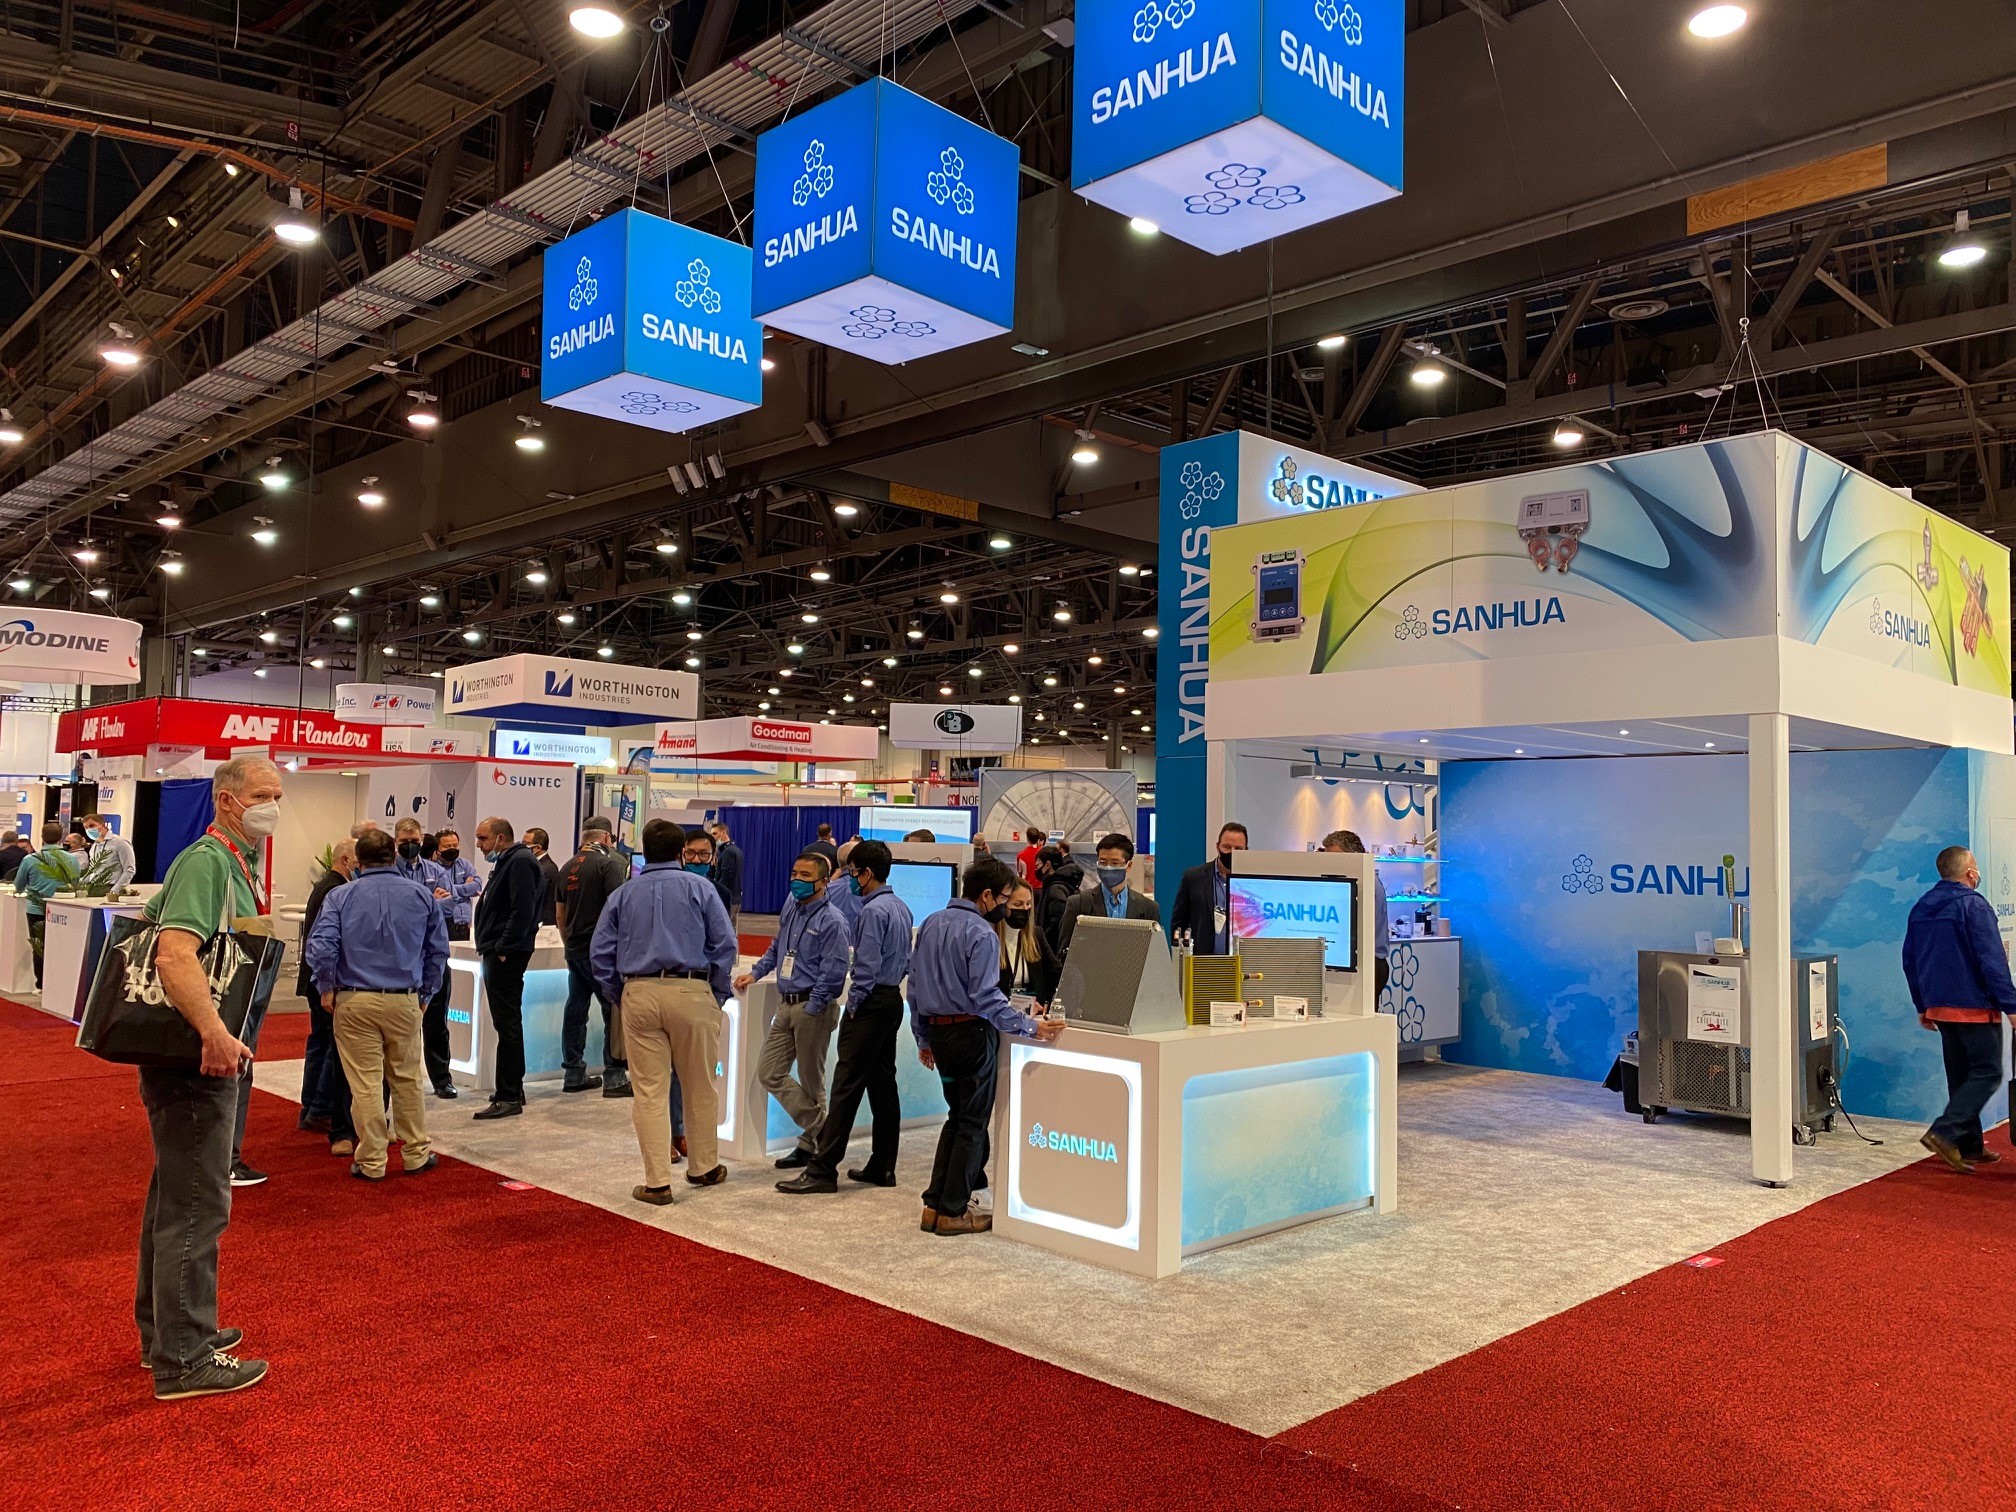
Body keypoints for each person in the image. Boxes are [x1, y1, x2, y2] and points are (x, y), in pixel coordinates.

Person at [134, 755, 280, 1399]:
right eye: (263, 796)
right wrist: (214, 1032)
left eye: (278, 796)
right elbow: (174, 954)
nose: (273, 808)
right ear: (226, 800)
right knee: (198, 1203)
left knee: (178, 1195)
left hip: (196, 1055)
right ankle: (185, 1358)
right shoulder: (208, 861)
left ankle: (167, 1334)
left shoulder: (230, 862)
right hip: (198, 1058)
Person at [910, 857, 1063, 1235]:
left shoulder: (931, 923)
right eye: (1007, 898)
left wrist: (923, 1037)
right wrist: (1030, 1026)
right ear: (987, 895)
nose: (1008, 907)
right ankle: (952, 1210)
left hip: (941, 1035)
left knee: (957, 1117)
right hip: (972, 1035)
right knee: (972, 1124)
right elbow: (986, 998)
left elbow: (914, 986)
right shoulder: (980, 932)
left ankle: (934, 1205)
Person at [591, 819, 737, 1204]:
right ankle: (704, 1166)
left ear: (644, 850)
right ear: (680, 853)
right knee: (700, 1085)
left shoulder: (623, 894)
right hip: (691, 989)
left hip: (639, 991)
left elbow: (600, 953)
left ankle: (657, 1182)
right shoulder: (701, 888)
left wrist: (620, 993)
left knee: (649, 1091)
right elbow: (724, 946)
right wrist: (715, 993)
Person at [304, 828, 448, 1182]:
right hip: (404, 998)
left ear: (359, 861)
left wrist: (325, 987)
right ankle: (416, 1153)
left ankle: (371, 1160)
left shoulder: (340, 896)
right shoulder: (421, 895)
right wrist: (426, 994)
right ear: (393, 854)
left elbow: (321, 945)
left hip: (355, 999)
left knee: (365, 1082)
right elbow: (437, 951)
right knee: (407, 1079)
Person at [778, 841, 913, 1196]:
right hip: (891, 1001)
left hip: (869, 1004)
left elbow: (865, 968)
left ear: (866, 873)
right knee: (883, 1087)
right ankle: (883, 1165)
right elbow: (905, 961)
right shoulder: (901, 907)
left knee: (845, 1089)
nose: (850, 880)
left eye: (853, 873)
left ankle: (823, 1169)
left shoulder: (871, 912)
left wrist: (853, 1004)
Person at [1902, 845, 2016, 1173]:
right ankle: (1944, 1132)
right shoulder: (1973, 905)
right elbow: (1991, 961)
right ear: (1969, 872)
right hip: (1974, 1006)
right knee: (1988, 1072)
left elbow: (1910, 960)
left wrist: (1923, 1004)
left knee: (1961, 1075)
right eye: (1975, 866)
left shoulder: (1921, 907)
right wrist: (2011, 1005)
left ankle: (1970, 1146)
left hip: (1940, 1008)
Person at [735, 852, 851, 1168]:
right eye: (794, 874)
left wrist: (813, 1007)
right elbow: (778, 948)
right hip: (786, 1005)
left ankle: (811, 1145)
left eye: (805, 875)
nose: (797, 880)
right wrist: (755, 973)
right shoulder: (793, 910)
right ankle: (823, 1130)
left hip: (812, 1007)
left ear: (824, 882)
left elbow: (834, 971)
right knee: (769, 1072)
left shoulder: (832, 921)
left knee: (813, 1081)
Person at [470, 816, 544, 1120]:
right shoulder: (509, 861)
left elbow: (522, 909)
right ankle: (512, 1088)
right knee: (506, 1023)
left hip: (505, 955)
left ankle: (509, 1095)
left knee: (508, 1024)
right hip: (499, 951)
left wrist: (503, 948)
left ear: (500, 838)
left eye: (483, 838)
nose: (479, 844)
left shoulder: (520, 862)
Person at [558, 818, 630, 1096]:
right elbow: (617, 909)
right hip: (601, 952)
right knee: (612, 1010)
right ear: (608, 838)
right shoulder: (609, 864)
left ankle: (573, 1073)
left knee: (575, 1009)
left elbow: (560, 914)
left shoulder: (567, 866)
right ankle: (614, 1077)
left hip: (575, 948)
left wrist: (569, 944)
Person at [296, 839, 359, 1158]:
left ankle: (312, 1108)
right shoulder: (335, 890)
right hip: (324, 981)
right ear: (346, 859)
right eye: (359, 860)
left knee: (320, 1043)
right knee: (330, 1046)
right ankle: (320, 1108)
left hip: (317, 979)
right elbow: (324, 942)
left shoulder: (327, 886)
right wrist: (328, 984)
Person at [393, 817, 459, 1099]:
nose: (410, 846)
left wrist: (422, 905)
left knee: (436, 1023)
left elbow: (450, 905)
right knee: (401, 1025)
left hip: (433, 955)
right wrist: (431, 901)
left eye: (415, 841)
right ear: (395, 842)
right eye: (404, 842)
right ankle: (403, 1082)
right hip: (402, 958)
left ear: (422, 840)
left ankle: (442, 1079)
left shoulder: (434, 870)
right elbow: (396, 912)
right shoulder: (390, 871)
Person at [1058, 831, 1158, 953]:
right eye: (1103, 862)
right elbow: (1064, 953)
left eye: (1115, 863)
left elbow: (1153, 954)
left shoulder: (1147, 908)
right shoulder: (1078, 904)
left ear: (1128, 865)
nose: (1108, 867)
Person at [1322, 830, 1391, 995]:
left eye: (1335, 858)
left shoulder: (1364, 884)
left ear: (1353, 855)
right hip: (1364, 962)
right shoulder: (1356, 881)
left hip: (1370, 964)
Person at [15, 821, 80, 986]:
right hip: (64, 909)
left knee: (39, 947)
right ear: (61, 838)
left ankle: (41, 984)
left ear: (42, 837)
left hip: (36, 909)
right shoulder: (72, 859)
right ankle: (59, 982)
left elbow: (18, 885)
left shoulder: (30, 859)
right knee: (61, 946)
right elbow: (75, 883)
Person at [1170, 822, 1249, 954]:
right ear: (1217, 847)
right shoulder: (1194, 877)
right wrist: (1181, 958)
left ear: (1246, 850)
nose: (1232, 852)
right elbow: (1179, 923)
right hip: (1202, 961)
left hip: (1244, 962)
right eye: (1226, 847)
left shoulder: (1254, 882)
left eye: (1238, 849)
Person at [1000, 880, 1062, 1006]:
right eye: (1018, 904)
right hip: (1001, 1011)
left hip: (1034, 1010)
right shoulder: (989, 937)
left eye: (1028, 903)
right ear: (1003, 905)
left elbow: (1056, 972)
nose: (1024, 909)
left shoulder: (1036, 935)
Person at [1033, 844, 1085, 960]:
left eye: (1037, 865)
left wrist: (1042, 945)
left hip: (1052, 951)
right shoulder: (1062, 885)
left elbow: (1057, 923)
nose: (1036, 870)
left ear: (1047, 864)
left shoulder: (1055, 889)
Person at [432, 826, 483, 939]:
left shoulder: (464, 864)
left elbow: (477, 886)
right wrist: (465, 887)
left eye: (455, 845)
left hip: (464, 926)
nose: (452, 849)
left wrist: (451, 889)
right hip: (443, 926)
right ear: (437, 850)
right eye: (447, 846)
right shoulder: (432, 868)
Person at [80, 813, 137, 889]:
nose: (88, 830)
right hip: (94, 887)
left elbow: (129, 869)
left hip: (112, 886)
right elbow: (92, 870)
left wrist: (115, 890)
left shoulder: (120, 843)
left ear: (103, 825)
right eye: (86, 827)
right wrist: (79, 884)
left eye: (92, 826)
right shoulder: (94, 846)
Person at [711, 819, 744, 930]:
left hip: (728, 896)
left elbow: (726, 875)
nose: (713, 837)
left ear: (723, 833)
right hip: (736, 895)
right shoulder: (736, 850)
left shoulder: (728, 852)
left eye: (715, 833)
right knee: (732, 928)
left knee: (724, 928)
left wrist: (717, 892)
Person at [526, 827, 560, 928]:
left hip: (543, 924)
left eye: (526, 843)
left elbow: (536, 896)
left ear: (538, 848)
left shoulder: (546, 868)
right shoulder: (539, 866)